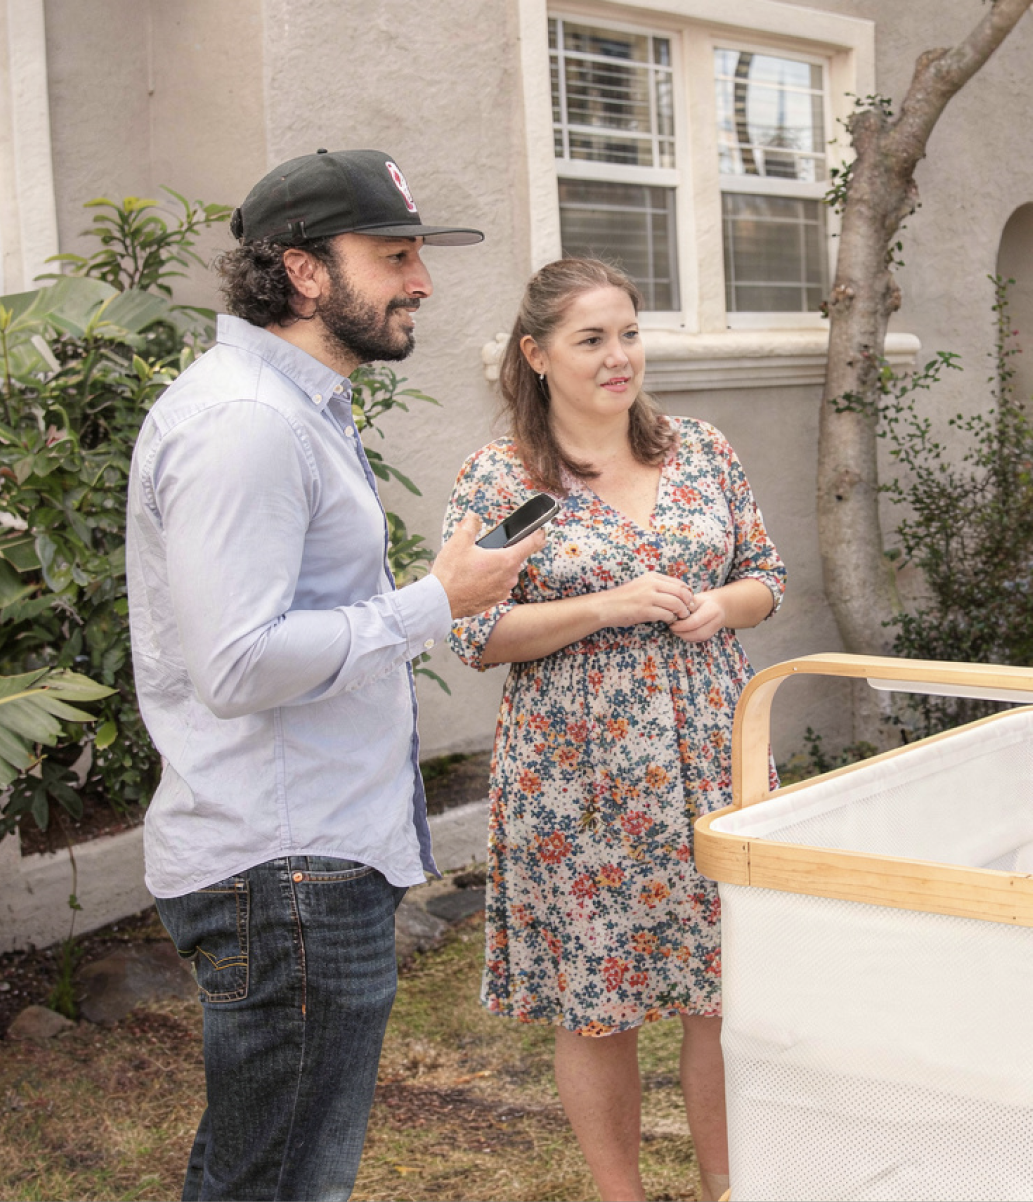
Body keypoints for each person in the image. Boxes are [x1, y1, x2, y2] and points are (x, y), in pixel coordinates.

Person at [126, 149, 546, 1201]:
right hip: (284, 867)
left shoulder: (290, 405)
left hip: (303, 860)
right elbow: (236, 663)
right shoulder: (250, 423)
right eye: (394, 255)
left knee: (277, 1168)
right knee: (271, 1179)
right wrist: (433, 600)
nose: (422, 281)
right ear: (304, 272)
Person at [444, 257, 786, 1202]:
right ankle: (619, 1193)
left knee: (727, 985)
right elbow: (472, 631)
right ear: (537, 355)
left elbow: (768, 576)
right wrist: (606, 605)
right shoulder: (510, 479)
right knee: (601, 1000)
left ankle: (732, 1185)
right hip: (578, 771)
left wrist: (723, 604)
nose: (617, 356)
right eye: (591, 339)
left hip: (717, 749)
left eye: (629, 333)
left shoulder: (699, 450)